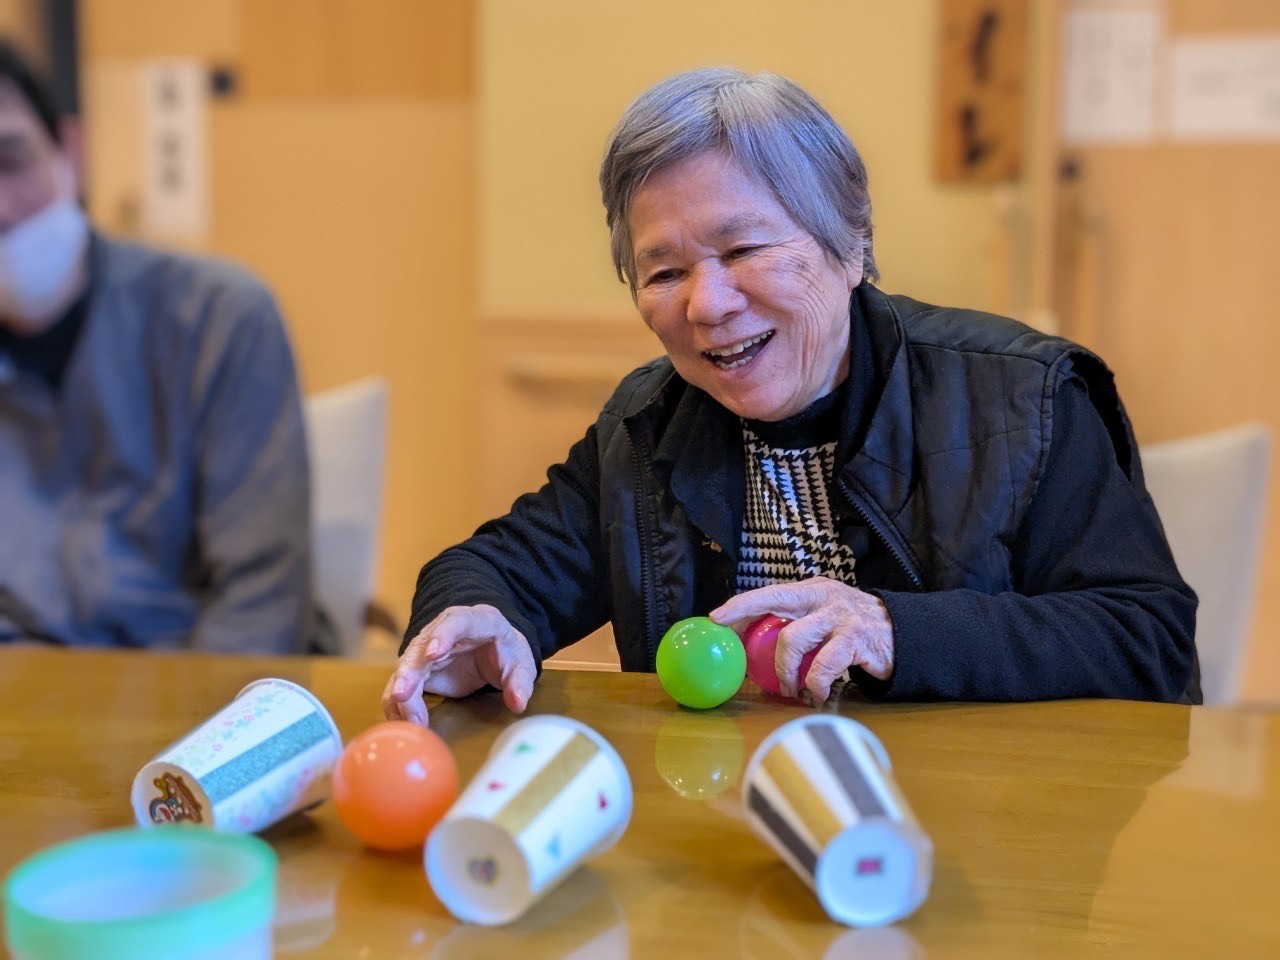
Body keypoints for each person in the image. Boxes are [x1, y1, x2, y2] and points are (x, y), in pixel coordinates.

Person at [383, 67, 1198, 724]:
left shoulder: (1026, 397)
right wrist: (474, 613)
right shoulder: (646, 426)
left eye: (743, 248)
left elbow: (1147, 639)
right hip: (723, 825)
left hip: (982, 841)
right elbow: (496, 569)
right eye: (664, 272)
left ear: (852, 246)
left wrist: (896, 630)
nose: (705, 305)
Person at [0, 39, 313, 652]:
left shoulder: (220, 320)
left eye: (10, 161)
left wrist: (195, 748)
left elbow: (262, 603)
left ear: (69, 151)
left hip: (191, 709)